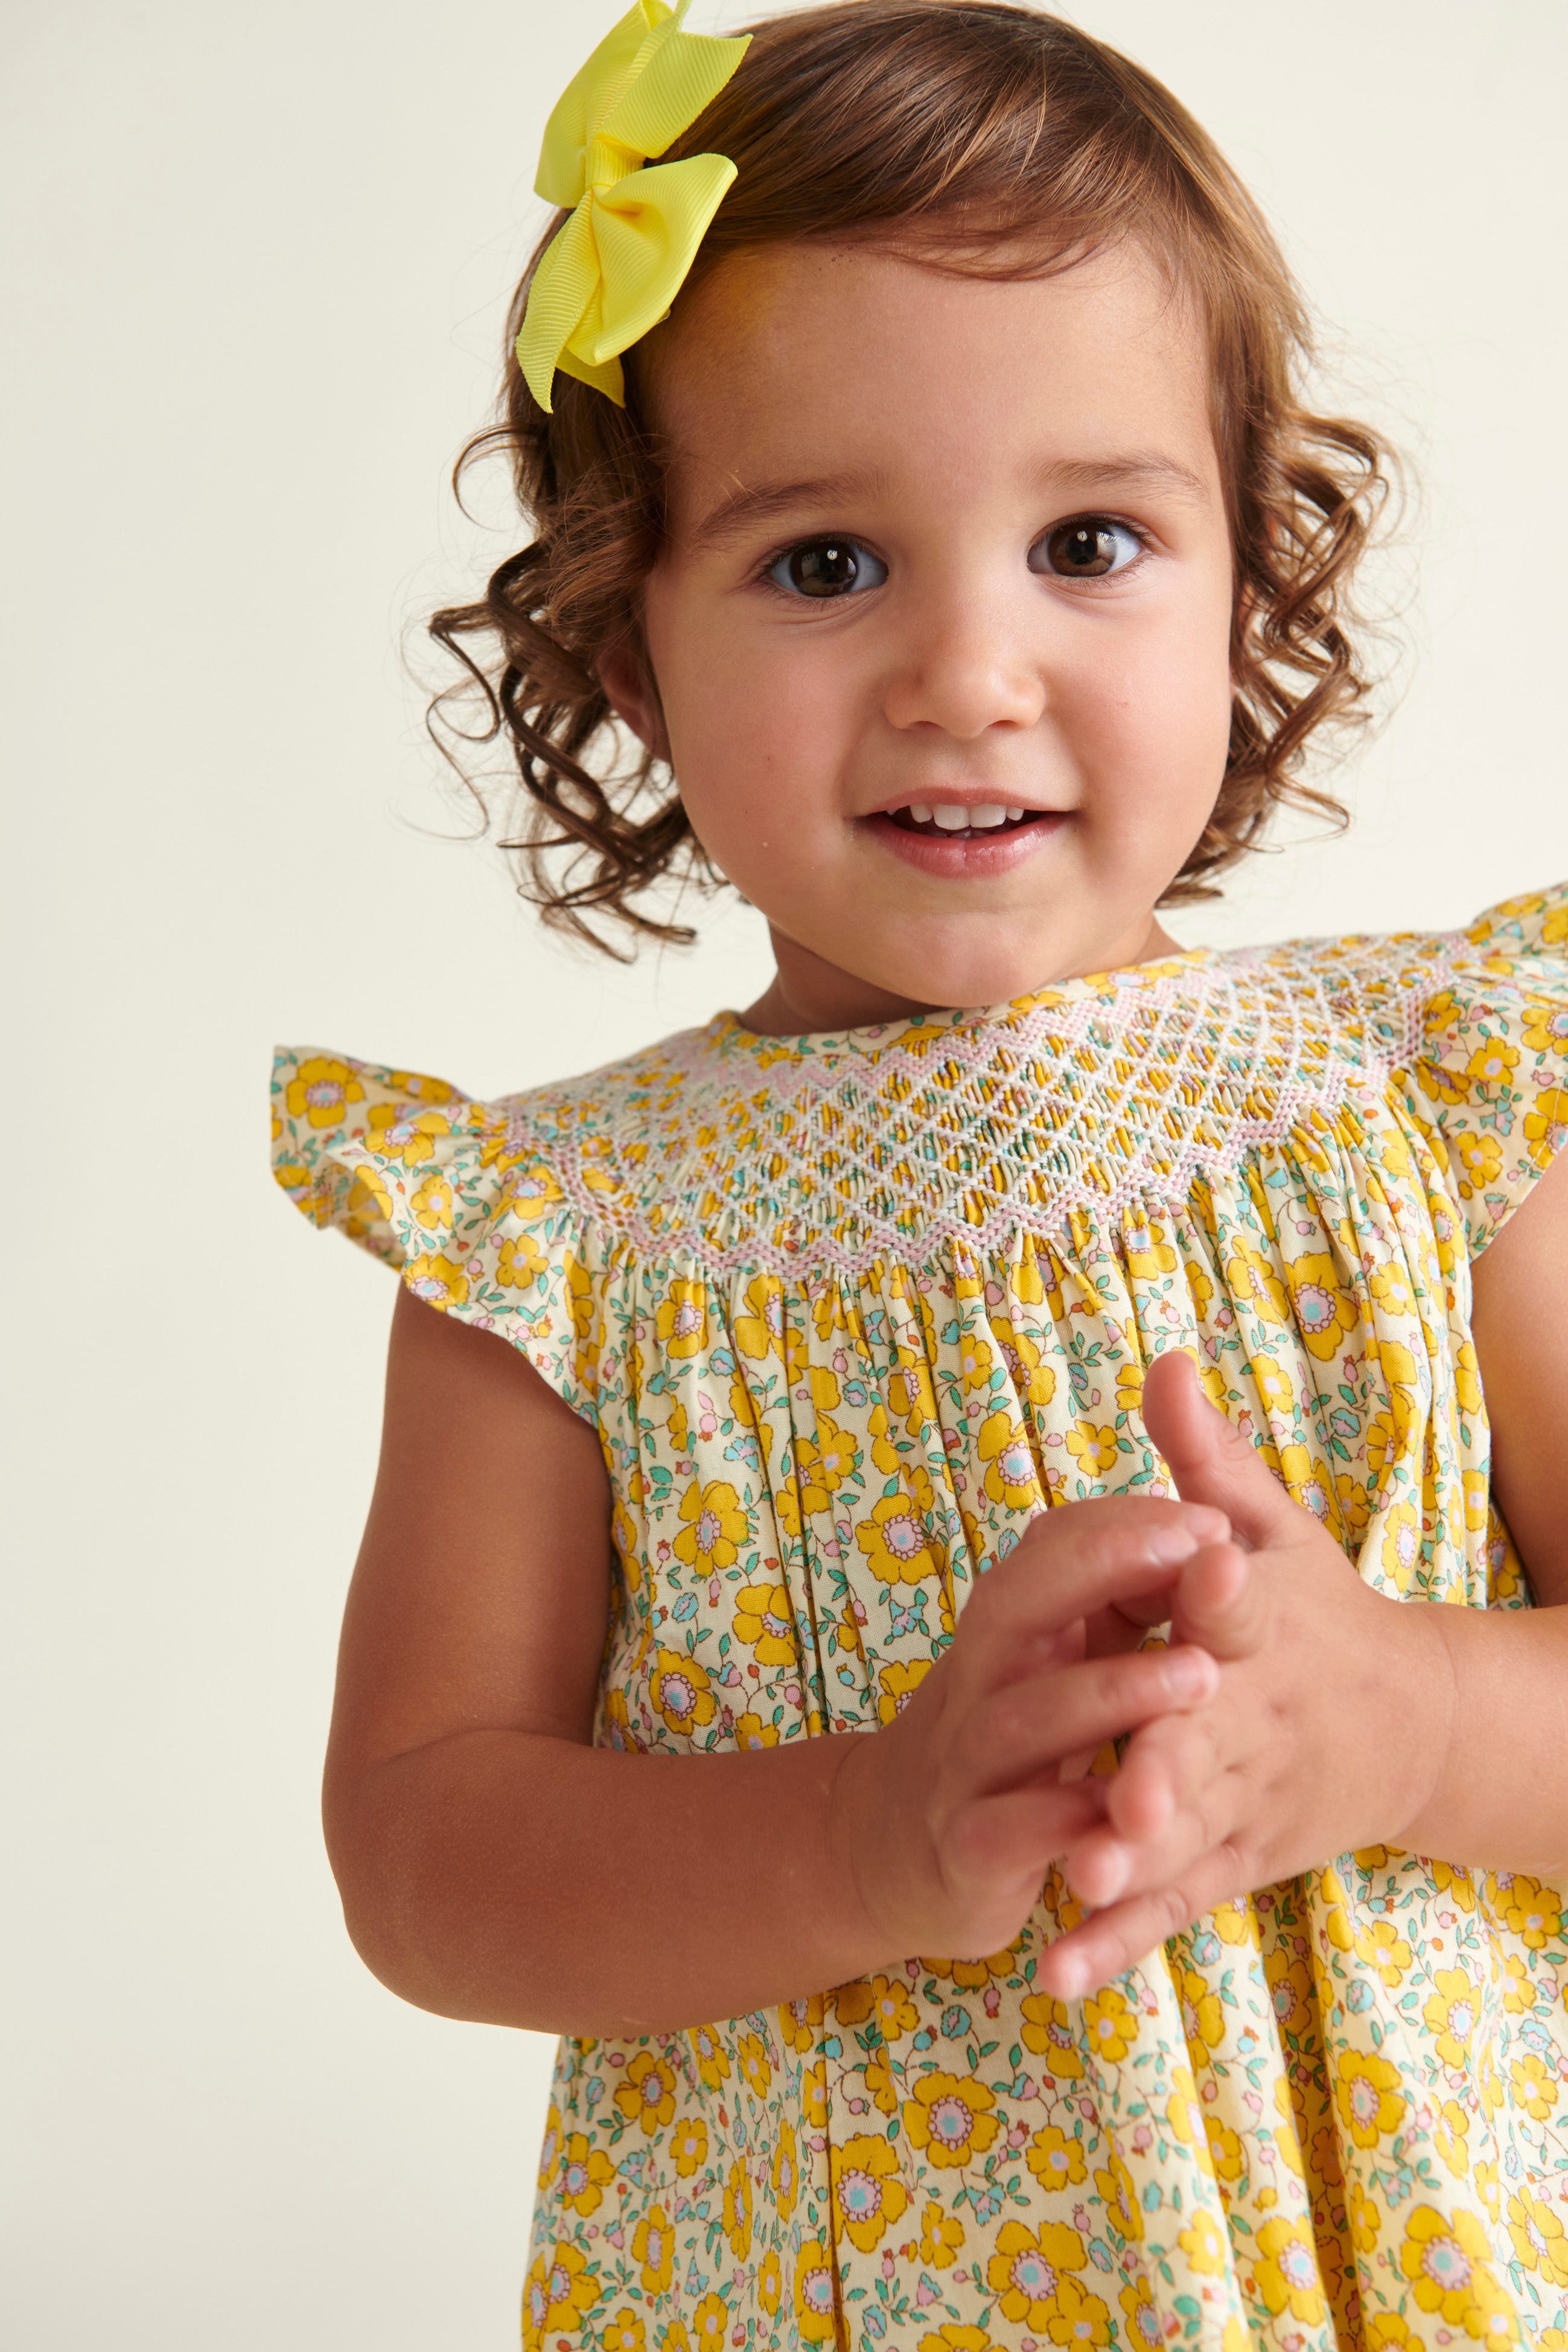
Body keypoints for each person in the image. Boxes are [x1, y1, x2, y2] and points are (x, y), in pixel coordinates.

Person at [271, 4, 1568, 2344]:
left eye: (1088, 541)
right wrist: (864, 1834)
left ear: (1249, 588)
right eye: (821, 562)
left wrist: (1411, 1719)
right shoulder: (561, 1247)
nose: (968, 669)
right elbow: (426, 1851)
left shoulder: (1429, 1114)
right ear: (629, 651)